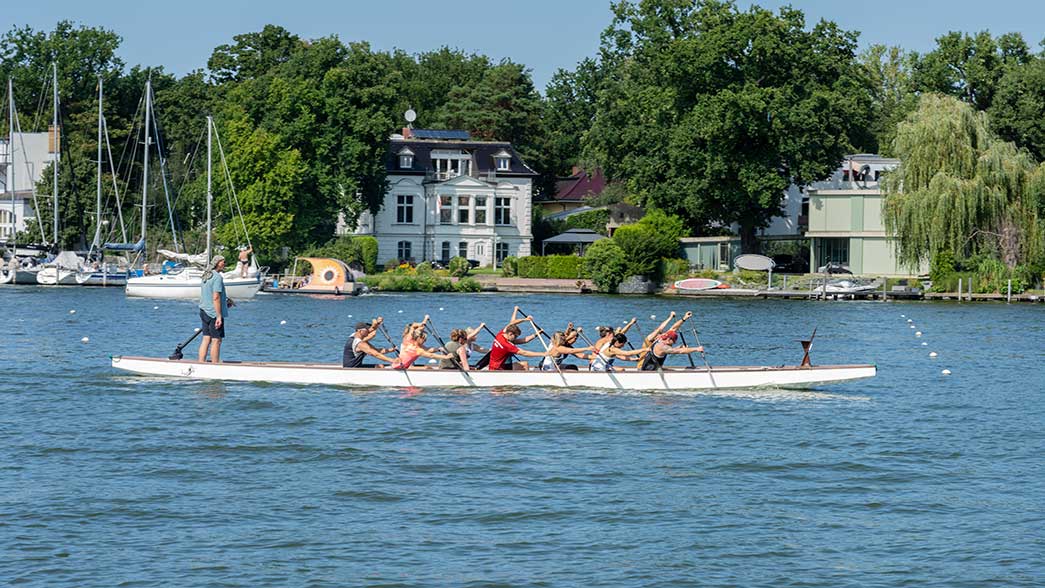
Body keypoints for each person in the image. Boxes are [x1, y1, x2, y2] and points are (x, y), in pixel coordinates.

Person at [197, 255, 234, 363]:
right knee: (216, 340)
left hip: (204, 310)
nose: (224, 264)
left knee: (206, 338)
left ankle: (201, 362)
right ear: (217, 263)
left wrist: (225, 302)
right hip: (213, 313)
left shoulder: (206, 275)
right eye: (223, 262)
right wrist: (218, 316)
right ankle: (215, 364)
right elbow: (215, 297)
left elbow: (210, 294)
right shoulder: (217, 277)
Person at [639, 330, 705, 371]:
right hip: (650, 371)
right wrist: (697, 349)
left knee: (672, 370)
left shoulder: (659, 341)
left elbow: (672, 350)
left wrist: (680, 347)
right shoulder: (663, 347)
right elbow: (679, 351)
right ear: (669, 339)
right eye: (673, 341)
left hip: (651, 368)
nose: (673, 343)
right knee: (673, 372)